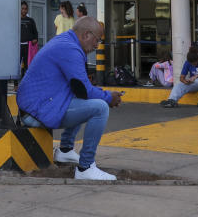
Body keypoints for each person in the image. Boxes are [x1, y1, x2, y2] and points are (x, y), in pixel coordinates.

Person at [17, 17, 123, 181]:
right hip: (36, 112)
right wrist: (109, 97)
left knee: (83, 98)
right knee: (100, 108)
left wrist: (105, 94)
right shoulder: (70, 49)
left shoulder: (66, 42)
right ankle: (85, 167)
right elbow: (86, 90)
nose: (97, 46)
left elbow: (80, 88)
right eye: (97, 40)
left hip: (37, 107)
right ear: (86, 34)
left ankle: (65, 151)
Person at [20, 1, 39, 78]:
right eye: (22, 9)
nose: (24, 10)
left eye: (26, 9)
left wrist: (35, 39)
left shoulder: (31, 20)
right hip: (18, 47)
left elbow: (35, 33)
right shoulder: (16, 19)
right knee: (16, 66)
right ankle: (16, 84)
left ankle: (26, 83)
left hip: (28, 46)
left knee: (27, 65)